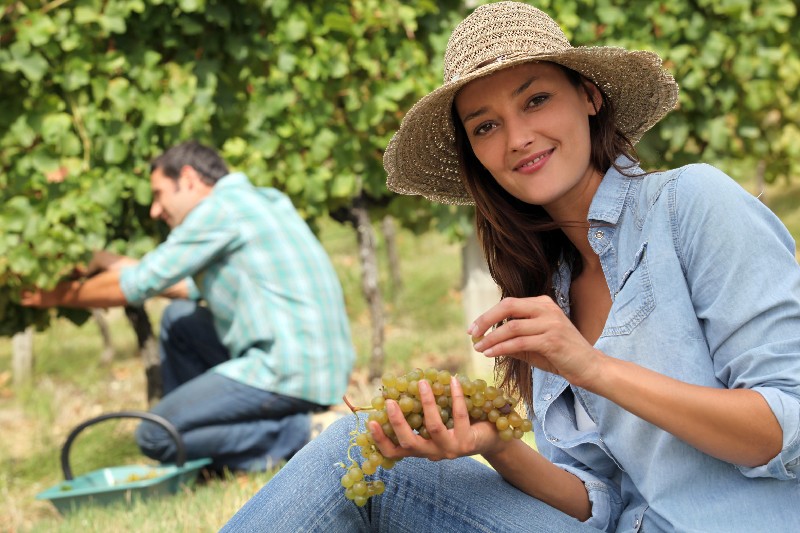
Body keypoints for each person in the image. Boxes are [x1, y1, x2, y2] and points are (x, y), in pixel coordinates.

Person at [220, 2, 800, 532]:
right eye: (486, 126)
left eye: (536, 99)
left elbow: (784, 428)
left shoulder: (693, 204)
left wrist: (592, 366)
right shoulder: (549, 288)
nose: (519, 138)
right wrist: (495, 444)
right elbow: (598, 501)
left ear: (589, 96)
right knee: (361, 447)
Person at [21, 141, 356, 473]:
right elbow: (181, 286)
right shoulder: (259, 201)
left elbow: (137, 285)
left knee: (156, 435)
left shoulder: (218, 210)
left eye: (158, 194)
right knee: (180, 320)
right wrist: (107, 260)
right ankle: (206, 450)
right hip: (314, 365)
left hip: (286, 369)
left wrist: (54, 296)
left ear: (189, 178)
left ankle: (301, 433)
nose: (154, 210)